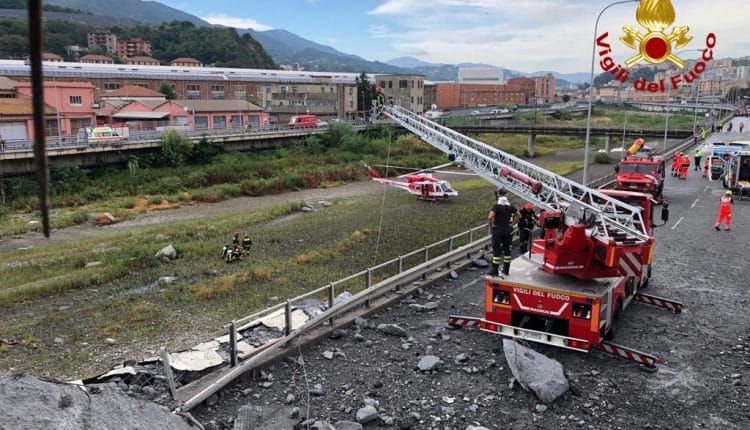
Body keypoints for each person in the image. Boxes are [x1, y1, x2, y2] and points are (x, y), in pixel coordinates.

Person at [487, 189, 519, 277]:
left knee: (496, 252)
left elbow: (490, 217)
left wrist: (492, 225)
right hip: (507, 231)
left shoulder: (496, 206)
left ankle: (494, 271)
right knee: (507, 251)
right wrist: (512, 225)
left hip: (497, 232)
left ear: (498, 196)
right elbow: (519, 215)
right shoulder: (511, 206)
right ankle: (506, 270)